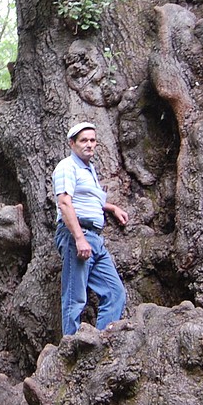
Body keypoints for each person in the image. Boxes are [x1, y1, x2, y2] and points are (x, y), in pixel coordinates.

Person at [53, 121, 129, 336]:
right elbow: (65, 202)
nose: (89, 144)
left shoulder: (89, 170)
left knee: (115, 292)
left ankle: (101, 344)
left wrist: (112, 207)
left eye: (92, 140)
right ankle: (70, 348)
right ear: (72, 143)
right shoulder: (67, 166)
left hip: (95, 238)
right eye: (84, 140)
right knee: (75, 296)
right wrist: (79, 238)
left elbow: (88, 198)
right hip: (77, 235)